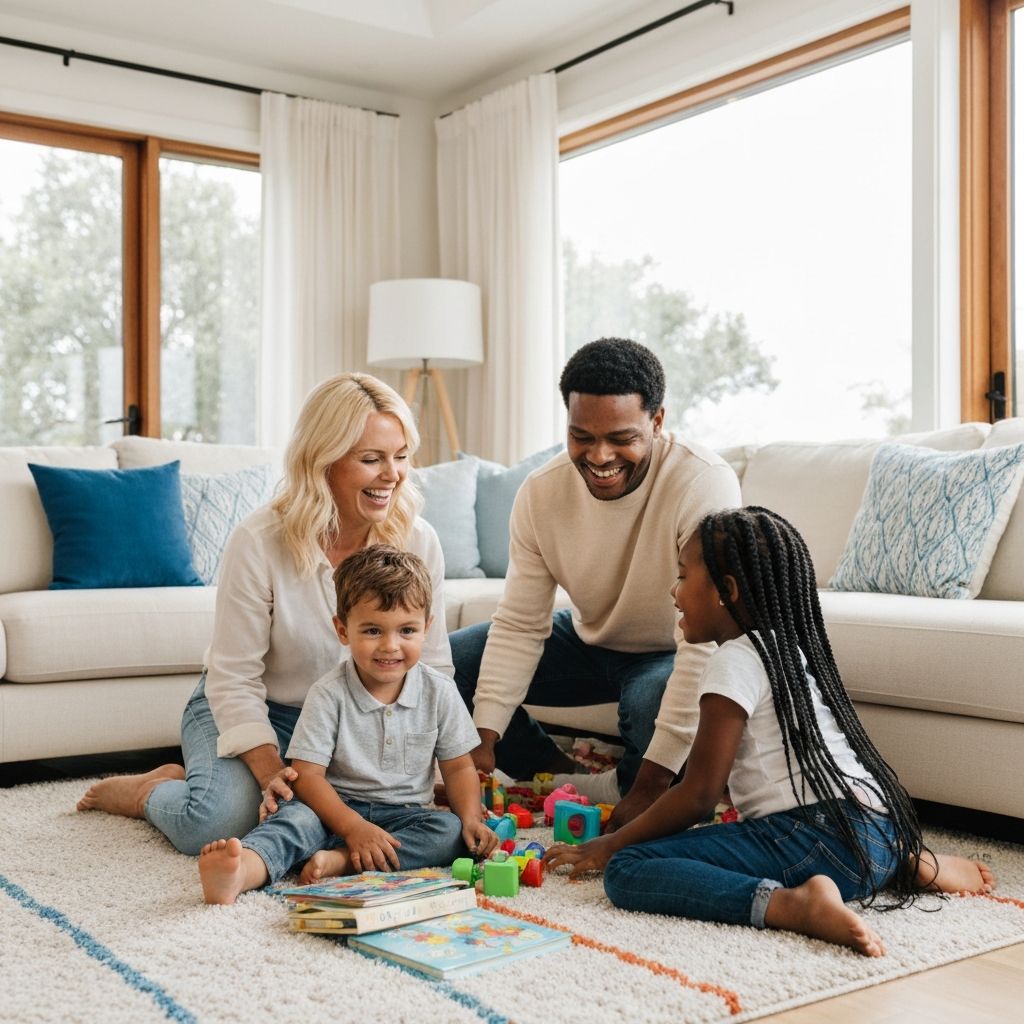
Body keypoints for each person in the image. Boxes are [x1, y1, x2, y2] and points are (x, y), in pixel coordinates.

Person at [543, 507, 996, 956]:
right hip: (876, 830)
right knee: (737, 842)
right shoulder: (787, 651)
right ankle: (904, 863)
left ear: (727, 591)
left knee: (629, 868)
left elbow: (699, 794)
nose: (674, 591)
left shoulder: (732, 660)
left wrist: (613, 844)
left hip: (816, 839)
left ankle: (790, 904)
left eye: (682, 576)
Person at [77, 373, 455, 855]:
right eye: (371, 459)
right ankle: (148, 791)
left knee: (347, 815)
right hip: (257, 705)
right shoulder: (259, 540)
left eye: (400, 456)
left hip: (349, 719)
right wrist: (271, 771)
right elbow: (234, 677)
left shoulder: (419, 540)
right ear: (323, 459)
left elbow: (432, 668)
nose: (393, 475)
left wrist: (429, 769)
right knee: (214, 822)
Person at [451, 338, 741, 830]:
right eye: (581, 436)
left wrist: (648, 789)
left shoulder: (703, 482)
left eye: (621, 437)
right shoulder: (541, 493)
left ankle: (631, 785)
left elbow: (703, 645)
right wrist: (483, 740)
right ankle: (553, 772)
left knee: (654, 703)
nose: (600, 456)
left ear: (657, 421)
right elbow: (520, 623)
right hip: (588, 640)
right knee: (450, 662)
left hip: (671, 649)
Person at [198, 545, 498, 904]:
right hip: (331, 810)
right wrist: (352, 827)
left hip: (403, 817)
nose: (390, 646)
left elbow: (459, 767)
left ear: (427, 629)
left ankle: (341, 861)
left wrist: (471, 819)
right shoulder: (328, 693)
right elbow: (307, 777)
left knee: (448, 831)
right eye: (372, 631)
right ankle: (241, 871)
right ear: (342, 630)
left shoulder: (440, 692)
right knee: (293, 823)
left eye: (407, 630)